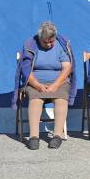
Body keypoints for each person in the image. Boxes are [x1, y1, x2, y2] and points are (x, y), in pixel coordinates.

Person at [13, 21, 76, 150]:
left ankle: (57, 135)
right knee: (36, 99)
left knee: (61, 99)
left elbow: (67, 68)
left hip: (59, 81)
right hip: (34, 81)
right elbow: (26, 70)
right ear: (40, 38)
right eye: (45, 42)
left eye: (51, 42)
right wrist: (37, 85)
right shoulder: (30, 45)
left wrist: (55, 85)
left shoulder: (61, 45)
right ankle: (34, 137)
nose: (48, 44)